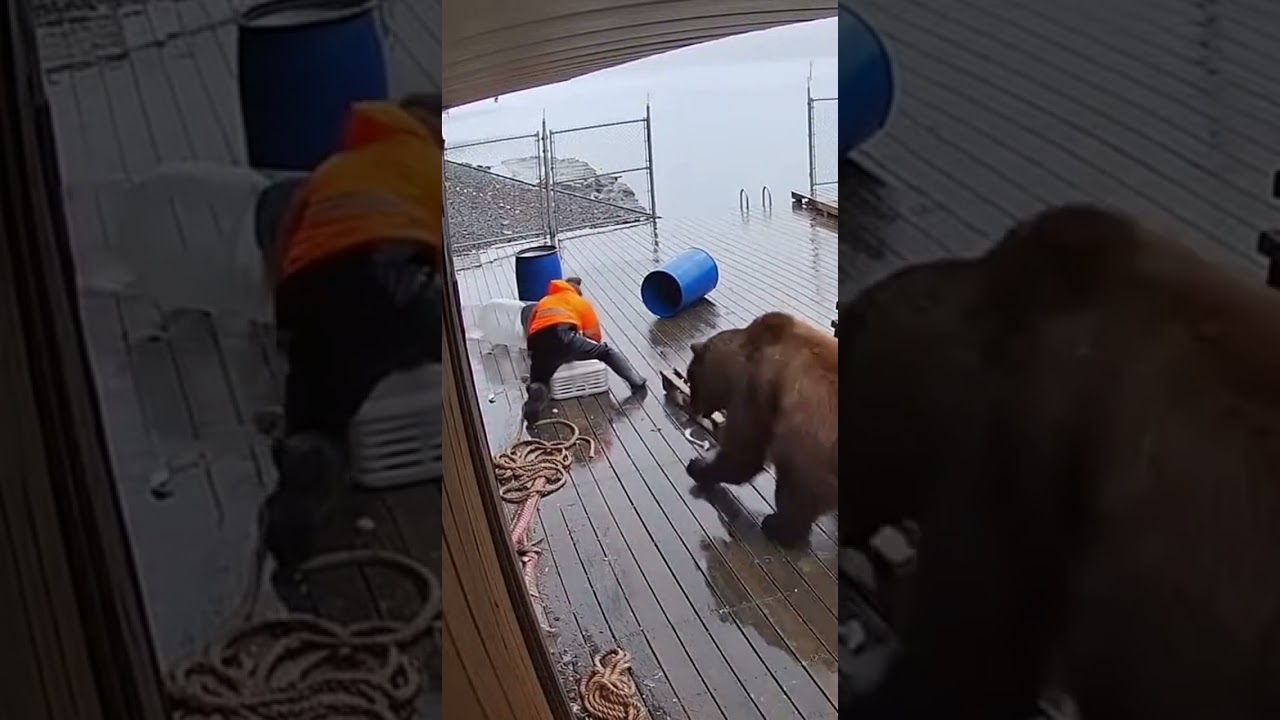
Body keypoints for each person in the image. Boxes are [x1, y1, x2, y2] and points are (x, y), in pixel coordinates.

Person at [261, 92, 444, 575]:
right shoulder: (431, 161)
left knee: (317, 412)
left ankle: (306, 460)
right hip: (392, 280)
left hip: (311, 293)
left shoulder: (335, 168)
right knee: (440, 339)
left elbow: (284, 244)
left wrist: (287, 327)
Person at [522, 277, 647, 423]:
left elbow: (530, 327)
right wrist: (583, 348)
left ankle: (535, 398)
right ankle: (636, 382)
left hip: (538, 343)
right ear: (576, 291)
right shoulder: (579, 302)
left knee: (540, 380)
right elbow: (594, 335)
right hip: (564, 337)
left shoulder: (544, 301)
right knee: (606, 352)